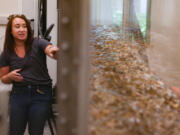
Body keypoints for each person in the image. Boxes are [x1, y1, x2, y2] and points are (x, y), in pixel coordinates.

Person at [0, 14, 59, 135]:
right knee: (15, 131)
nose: (22, 29)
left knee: (36, 132)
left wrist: (53, 51)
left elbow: (49, 48)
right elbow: (3, 79)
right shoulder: (6, 53)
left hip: (41, 93)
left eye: (24, 26)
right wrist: (10, 76)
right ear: (11, 31)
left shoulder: (37, 42)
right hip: (18, 94)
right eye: (17, 26)